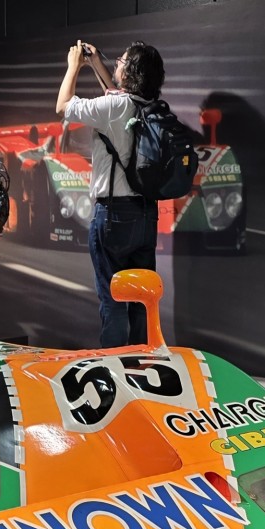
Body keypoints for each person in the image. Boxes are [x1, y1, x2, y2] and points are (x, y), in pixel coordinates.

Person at [56, 39, 165, 346]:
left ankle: (115, 365)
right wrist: (96, 64)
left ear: (130, 72)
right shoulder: (151, 107)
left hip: (114, 216)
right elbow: (115, 93)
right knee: (141, 298)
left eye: (121, 62)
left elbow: (63, 106)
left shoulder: (115, 108)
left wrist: (73, 66)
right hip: (146, 214)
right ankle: (142, 363)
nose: (116, 63)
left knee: (113, 298)